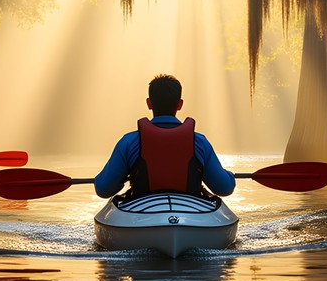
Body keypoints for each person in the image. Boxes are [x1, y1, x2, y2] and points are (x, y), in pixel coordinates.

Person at [94, 74, 235, 199]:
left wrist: (123, 178)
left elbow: (103, 189)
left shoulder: (129, 142)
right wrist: (230, 176)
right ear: (180, 105)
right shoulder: (199, 142)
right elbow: (224, 188)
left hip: (141, 212)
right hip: (191, 212)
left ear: (149, 103)